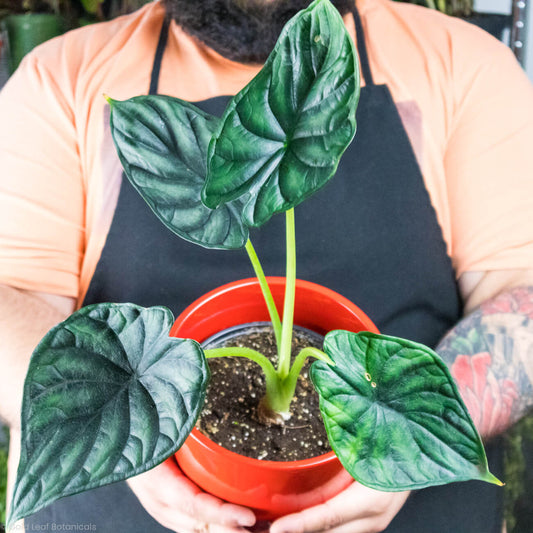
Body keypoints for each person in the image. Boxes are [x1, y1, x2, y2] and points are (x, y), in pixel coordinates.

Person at [0, 0, 532, 531]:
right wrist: (130, 429)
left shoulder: (462, 64)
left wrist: (405, 443)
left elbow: (521, 291)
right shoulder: (62, 78)